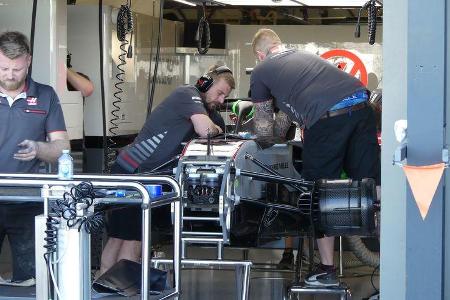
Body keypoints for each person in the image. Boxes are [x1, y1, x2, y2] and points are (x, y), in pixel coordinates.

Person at [250, 28, 380, 287]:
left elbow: (264, 130)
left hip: (328, 119)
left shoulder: (261, 71)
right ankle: (397, 253)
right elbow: (289, 113)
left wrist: (263, 138)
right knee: (372, 184)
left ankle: (327, 270)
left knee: (318, 192)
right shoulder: (302, 56)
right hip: (361, 105)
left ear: (259, 54)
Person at [98, 64, 235, 276]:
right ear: (205, 83)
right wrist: (214, 128)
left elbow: (218, 132)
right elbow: (206, 130)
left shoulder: (208, 112)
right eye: (219, 93)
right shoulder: (186, 93)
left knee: (129, 235)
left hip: (149, 177)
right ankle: (121, 286)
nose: (221, 101)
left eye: (225, 97)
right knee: (128, 236)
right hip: (133, 171)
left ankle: (116, 285)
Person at [0, 31, 70, 282]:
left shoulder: (46, 95)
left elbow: (62, 146)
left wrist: (40, 149)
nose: (10, 75)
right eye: (4, 68)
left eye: (16, 69)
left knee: (31, 281)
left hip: (27, 199)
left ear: (28, 61)